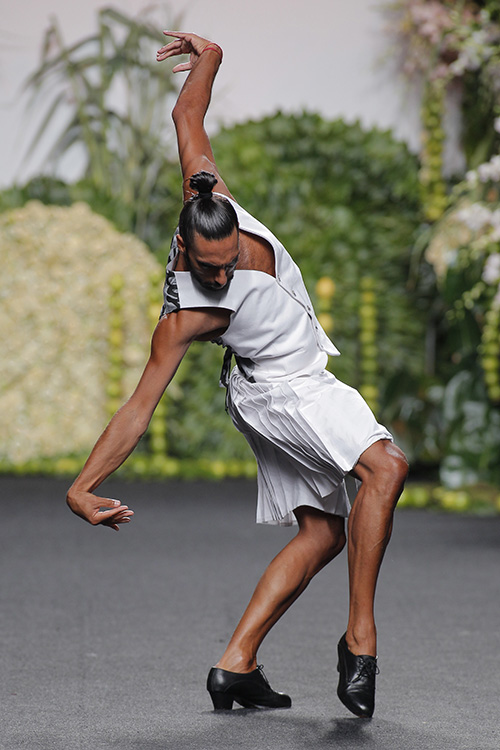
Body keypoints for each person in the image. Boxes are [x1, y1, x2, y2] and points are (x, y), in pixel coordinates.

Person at [67, 31, 409, 718]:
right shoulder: (185, 317)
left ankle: (236, 663)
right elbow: (139, 409)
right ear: (186, 246)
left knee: (323, 532)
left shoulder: (205, 193)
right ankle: (360, 641)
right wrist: (82, 486)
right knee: (386, 467)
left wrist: (212, 57)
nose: (222, 276)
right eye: (209, 269)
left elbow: (186, 117)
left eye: (229, 263)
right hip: (281, 387)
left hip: (277, 381)